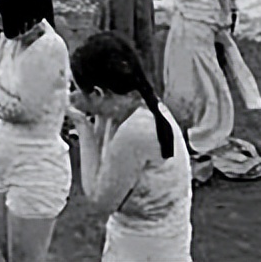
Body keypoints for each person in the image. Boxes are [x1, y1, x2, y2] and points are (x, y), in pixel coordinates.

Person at [67, 32, 192, 262]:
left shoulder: (137, 130)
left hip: (146, 248)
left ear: (98, 93)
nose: (73, 95)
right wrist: (97, 114)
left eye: (76, 88)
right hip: (150, 241)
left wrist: (81, 125)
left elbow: (100, 200)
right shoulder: (133, 104)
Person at [115, 0, 235, 156]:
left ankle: (209, 127)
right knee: (178, 63)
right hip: (187, 5)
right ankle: (186, 118)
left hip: (201, 8)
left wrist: (226, 12)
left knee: (202, 68)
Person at [0, 0, 71, 262]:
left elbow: (25, 110)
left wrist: (3, 102)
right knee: (6, 253)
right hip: (3, 163)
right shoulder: (11, 38)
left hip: (35, 168)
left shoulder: (49, 47)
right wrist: (4, 102)